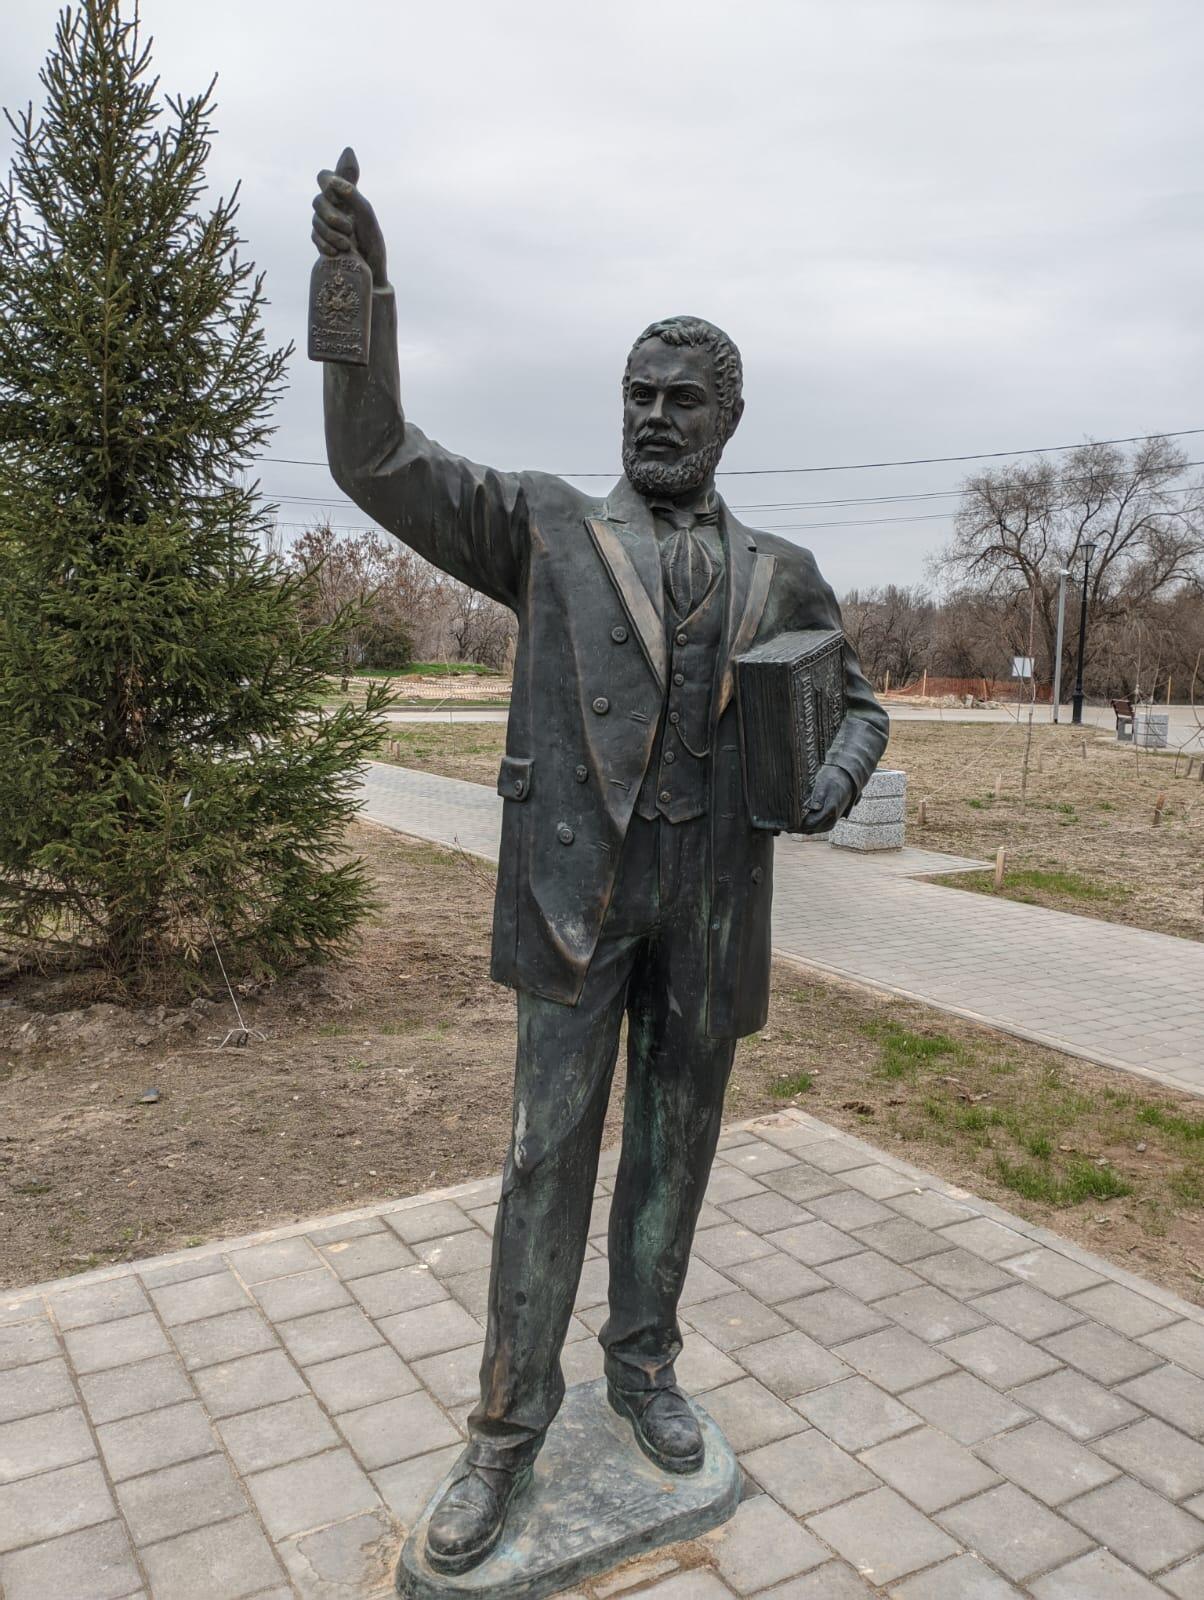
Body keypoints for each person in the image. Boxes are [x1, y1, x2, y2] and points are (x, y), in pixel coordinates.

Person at [313, 151, 889, 1575]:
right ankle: (505, 1431)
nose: (653, 418)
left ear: (728, 420)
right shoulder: (549, 531)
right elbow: (376, 463)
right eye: (638, 396)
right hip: (578, 905)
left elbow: (861, 704)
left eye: (681, 401)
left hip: (711, 908)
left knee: (675, 1156)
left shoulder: (781, 570)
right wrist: (360, 302)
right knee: (543, 1162)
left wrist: (828, 780)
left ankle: (644, 1368)